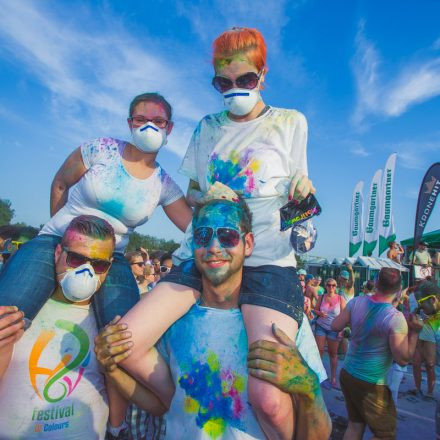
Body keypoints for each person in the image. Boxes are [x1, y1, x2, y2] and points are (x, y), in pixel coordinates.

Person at [118, 27, 315, 440]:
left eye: (245, 79)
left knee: (269, 400)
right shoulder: (208, 126)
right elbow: (190, 190)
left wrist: (304, 190)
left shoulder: (290, 122)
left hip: (267, 260)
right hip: (205, 254)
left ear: (263, 75)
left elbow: (301, 187)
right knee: (125, 345)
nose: (234, 89)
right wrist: (205, 192)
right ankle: (184, 412)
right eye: (223, 82)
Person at [96, 196, 331, 439]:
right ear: (193, 244)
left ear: (247, 244)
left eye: (228, 236)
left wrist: (310, 388)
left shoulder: (284, 323)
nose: (214, 247)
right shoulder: (171, 320)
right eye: (203, 236)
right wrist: (110, 369)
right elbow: (163, 405)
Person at [0, 92, 192, 330]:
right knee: (7, 318)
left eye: (158, 121)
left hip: (112, 259)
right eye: (141, 119)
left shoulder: (164, 184)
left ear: (169, 128)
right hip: (57, 240)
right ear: (130, 123)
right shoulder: (101, 148)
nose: (149, 126)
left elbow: (194, 227)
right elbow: (60, 183)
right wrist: (65, 240)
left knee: (124, 337)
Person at [0, 215, 126, 439]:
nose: (86, 272)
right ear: (58, 253)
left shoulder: (106, 318)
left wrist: (116, 428)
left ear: (109, 267)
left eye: (98, 264)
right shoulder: (19, 307)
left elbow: (114, 379)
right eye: (76, 259)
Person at [332, 267, 424, 440]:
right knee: (385, 434)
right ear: (398, 290)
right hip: (371, 383)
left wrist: (356, 324)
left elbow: (335, 326)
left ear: (375, 283)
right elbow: (403, 359)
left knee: (355, 425)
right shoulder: (394, 318)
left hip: (348, 374)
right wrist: (414, 333)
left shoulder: (356, 302)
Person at [314, 278, 346, 389]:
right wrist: (320, 313)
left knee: (333, 354)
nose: (331, 287)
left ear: (336, 287)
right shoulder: (321, 297)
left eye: (333, 285)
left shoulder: (340, 299)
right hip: (321, 327)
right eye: (329, 285)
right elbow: (315, 310)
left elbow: (344, 316)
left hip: (334, 329)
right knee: (320, 351)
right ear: (325, 286)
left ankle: (333, 377)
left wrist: (341, 330)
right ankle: (319, 375)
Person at [412, 281, 440, 399]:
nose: (420, 306)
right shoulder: (422, 310)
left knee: (430, 365)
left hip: (430, 340)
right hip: (420, 337)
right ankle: (417, 389)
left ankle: (429, 392)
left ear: (433, 299)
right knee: (415, 364)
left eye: (421, 303)